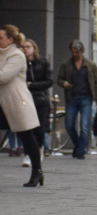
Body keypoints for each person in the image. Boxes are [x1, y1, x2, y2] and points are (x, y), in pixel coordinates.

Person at [0, 25, 44, 187]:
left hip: (16, 102)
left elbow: (4, 76)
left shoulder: (17, 55)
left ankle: (37, 172)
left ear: (10, 40)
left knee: (27, 137)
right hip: (1, 103)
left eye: (1, 37)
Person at [56, 39, 97, 160]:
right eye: (73, 52)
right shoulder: (66, 64)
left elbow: (96, 83)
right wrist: (64, 83)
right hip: (72, 97)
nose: (75, 54)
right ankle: (78, 145)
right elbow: (59, 79)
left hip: (86, 97)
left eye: (77, 52)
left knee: (85, 126)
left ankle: (80, 151)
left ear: (82, 51)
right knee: (69, 125)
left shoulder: (90, 65)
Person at [21, 38, 52, 166]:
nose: (25, 49)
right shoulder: (20, 63)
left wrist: (32, 85)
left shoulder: (42, 62)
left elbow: (49, 81)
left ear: (34, 48)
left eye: (28, 46)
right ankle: (28, 153)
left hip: (41, 98)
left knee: (40, 128)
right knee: (27, 128)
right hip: (26, 99)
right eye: (23, 47)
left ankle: (39, 149)